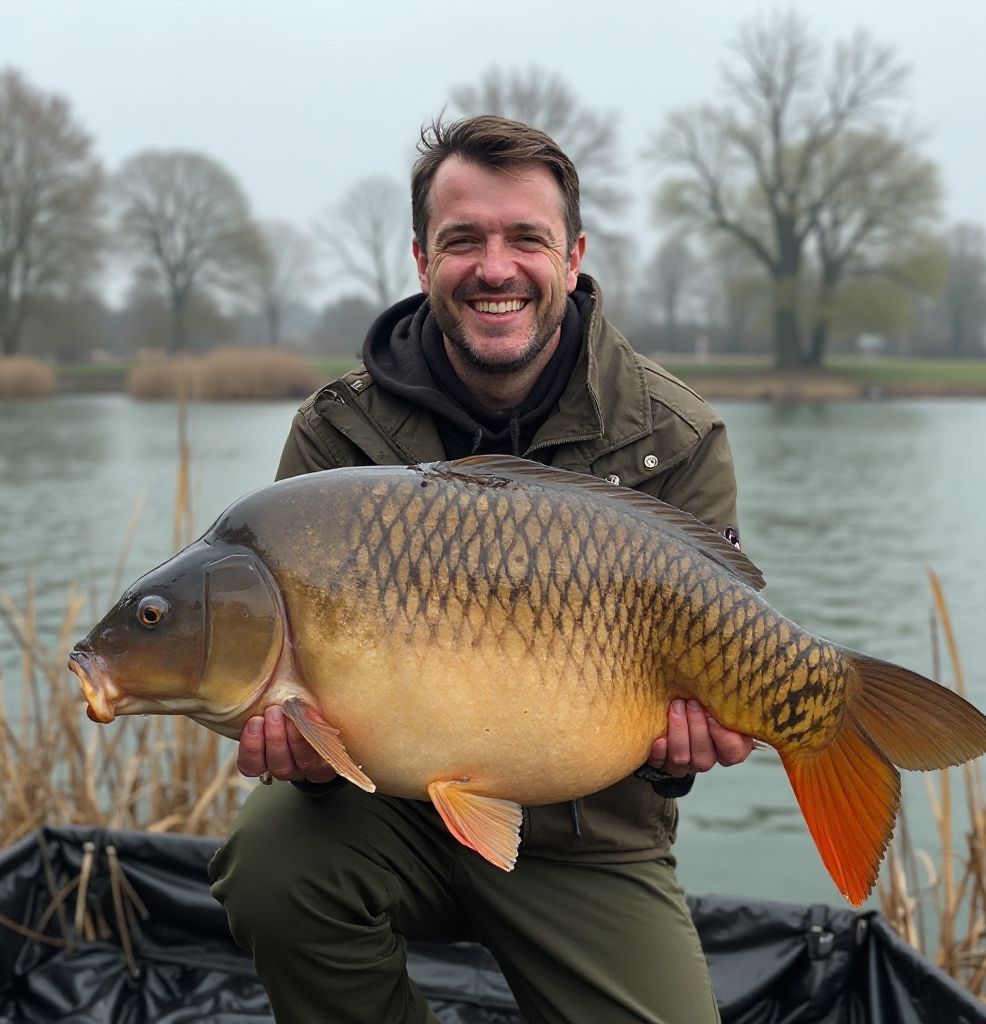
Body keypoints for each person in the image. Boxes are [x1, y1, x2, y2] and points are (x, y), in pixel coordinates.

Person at [209, 115, 753, 1024]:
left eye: (525, 239)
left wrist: (681, 756)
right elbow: (307, 690)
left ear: (572, 256)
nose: (494, 268)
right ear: (423, 261)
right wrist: (298, 757)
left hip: (591, 836)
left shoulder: (674, 436)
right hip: (387, 817)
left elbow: (693, 704)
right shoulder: (335, 434)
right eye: (463, 240)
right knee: (270, 860)